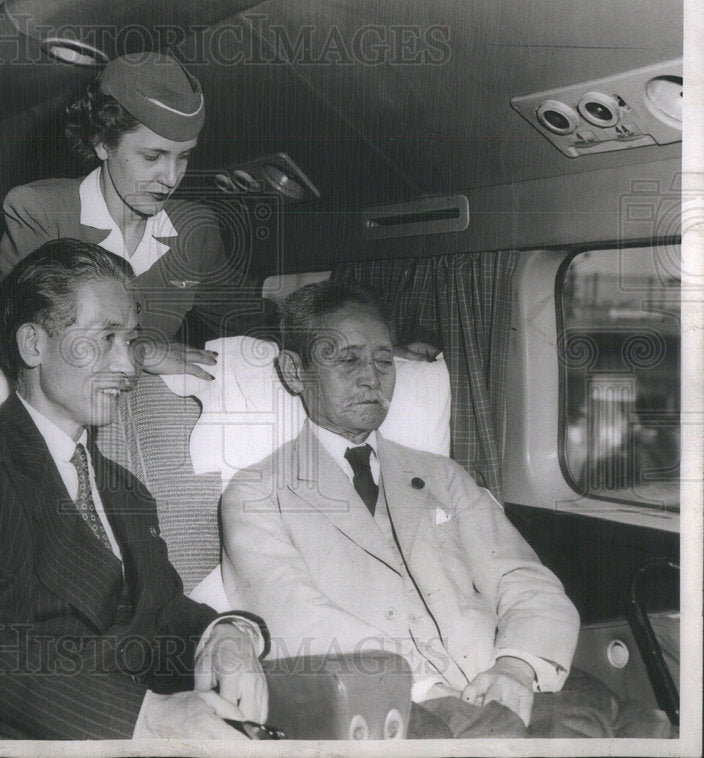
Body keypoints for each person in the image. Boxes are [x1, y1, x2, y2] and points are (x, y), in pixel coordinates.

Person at [0, 239, 269, 740]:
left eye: (130, 341)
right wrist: (146, 717)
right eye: (104, 338)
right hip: (14, 733)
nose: (128, 367)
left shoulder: (126, 490)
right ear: (33, 345)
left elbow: (164, 613)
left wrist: (227, 635)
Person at [220, 280, 592, 737]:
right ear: (294, 372)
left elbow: (522, 578)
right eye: (346, 359)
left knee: (628, 721)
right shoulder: (257, 493)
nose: (371, 379)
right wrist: (426, 689)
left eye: (382, 361)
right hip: (388, 704)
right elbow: (293, 616)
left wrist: (516, 665)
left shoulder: (443, 476)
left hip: (501, 681)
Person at [0, 52, 255, 379]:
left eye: (184, 157)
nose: (171, 178)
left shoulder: (195, 231)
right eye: (152, 157)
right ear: (102, 143)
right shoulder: (41, 212)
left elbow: (244, 318)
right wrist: (138, 350)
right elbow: (20, 336)